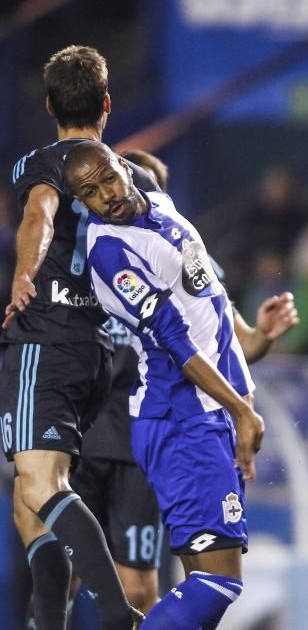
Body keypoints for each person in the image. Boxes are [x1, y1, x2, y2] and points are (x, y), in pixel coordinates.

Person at [69, 149, 299, 627]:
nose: (106, 196)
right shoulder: (110, 253)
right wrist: (241, 411)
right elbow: (175, 342)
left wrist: (256, 343)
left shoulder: (165, 213)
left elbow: (211, 317)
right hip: (180, 420)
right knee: (219, 582)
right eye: (89, 193)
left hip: (208, 417)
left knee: (202, 596)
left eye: (109, 180)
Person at [0, 45, 159, 630]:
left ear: (48, 105)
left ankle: (116, 615)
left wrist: (24, 273)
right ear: (108, 105)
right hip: (95, 350)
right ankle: (49, 623)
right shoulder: (135, 182)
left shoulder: (43, 164)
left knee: (43, 483)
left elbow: (40, 216)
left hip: (47, 340)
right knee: (28, 504)